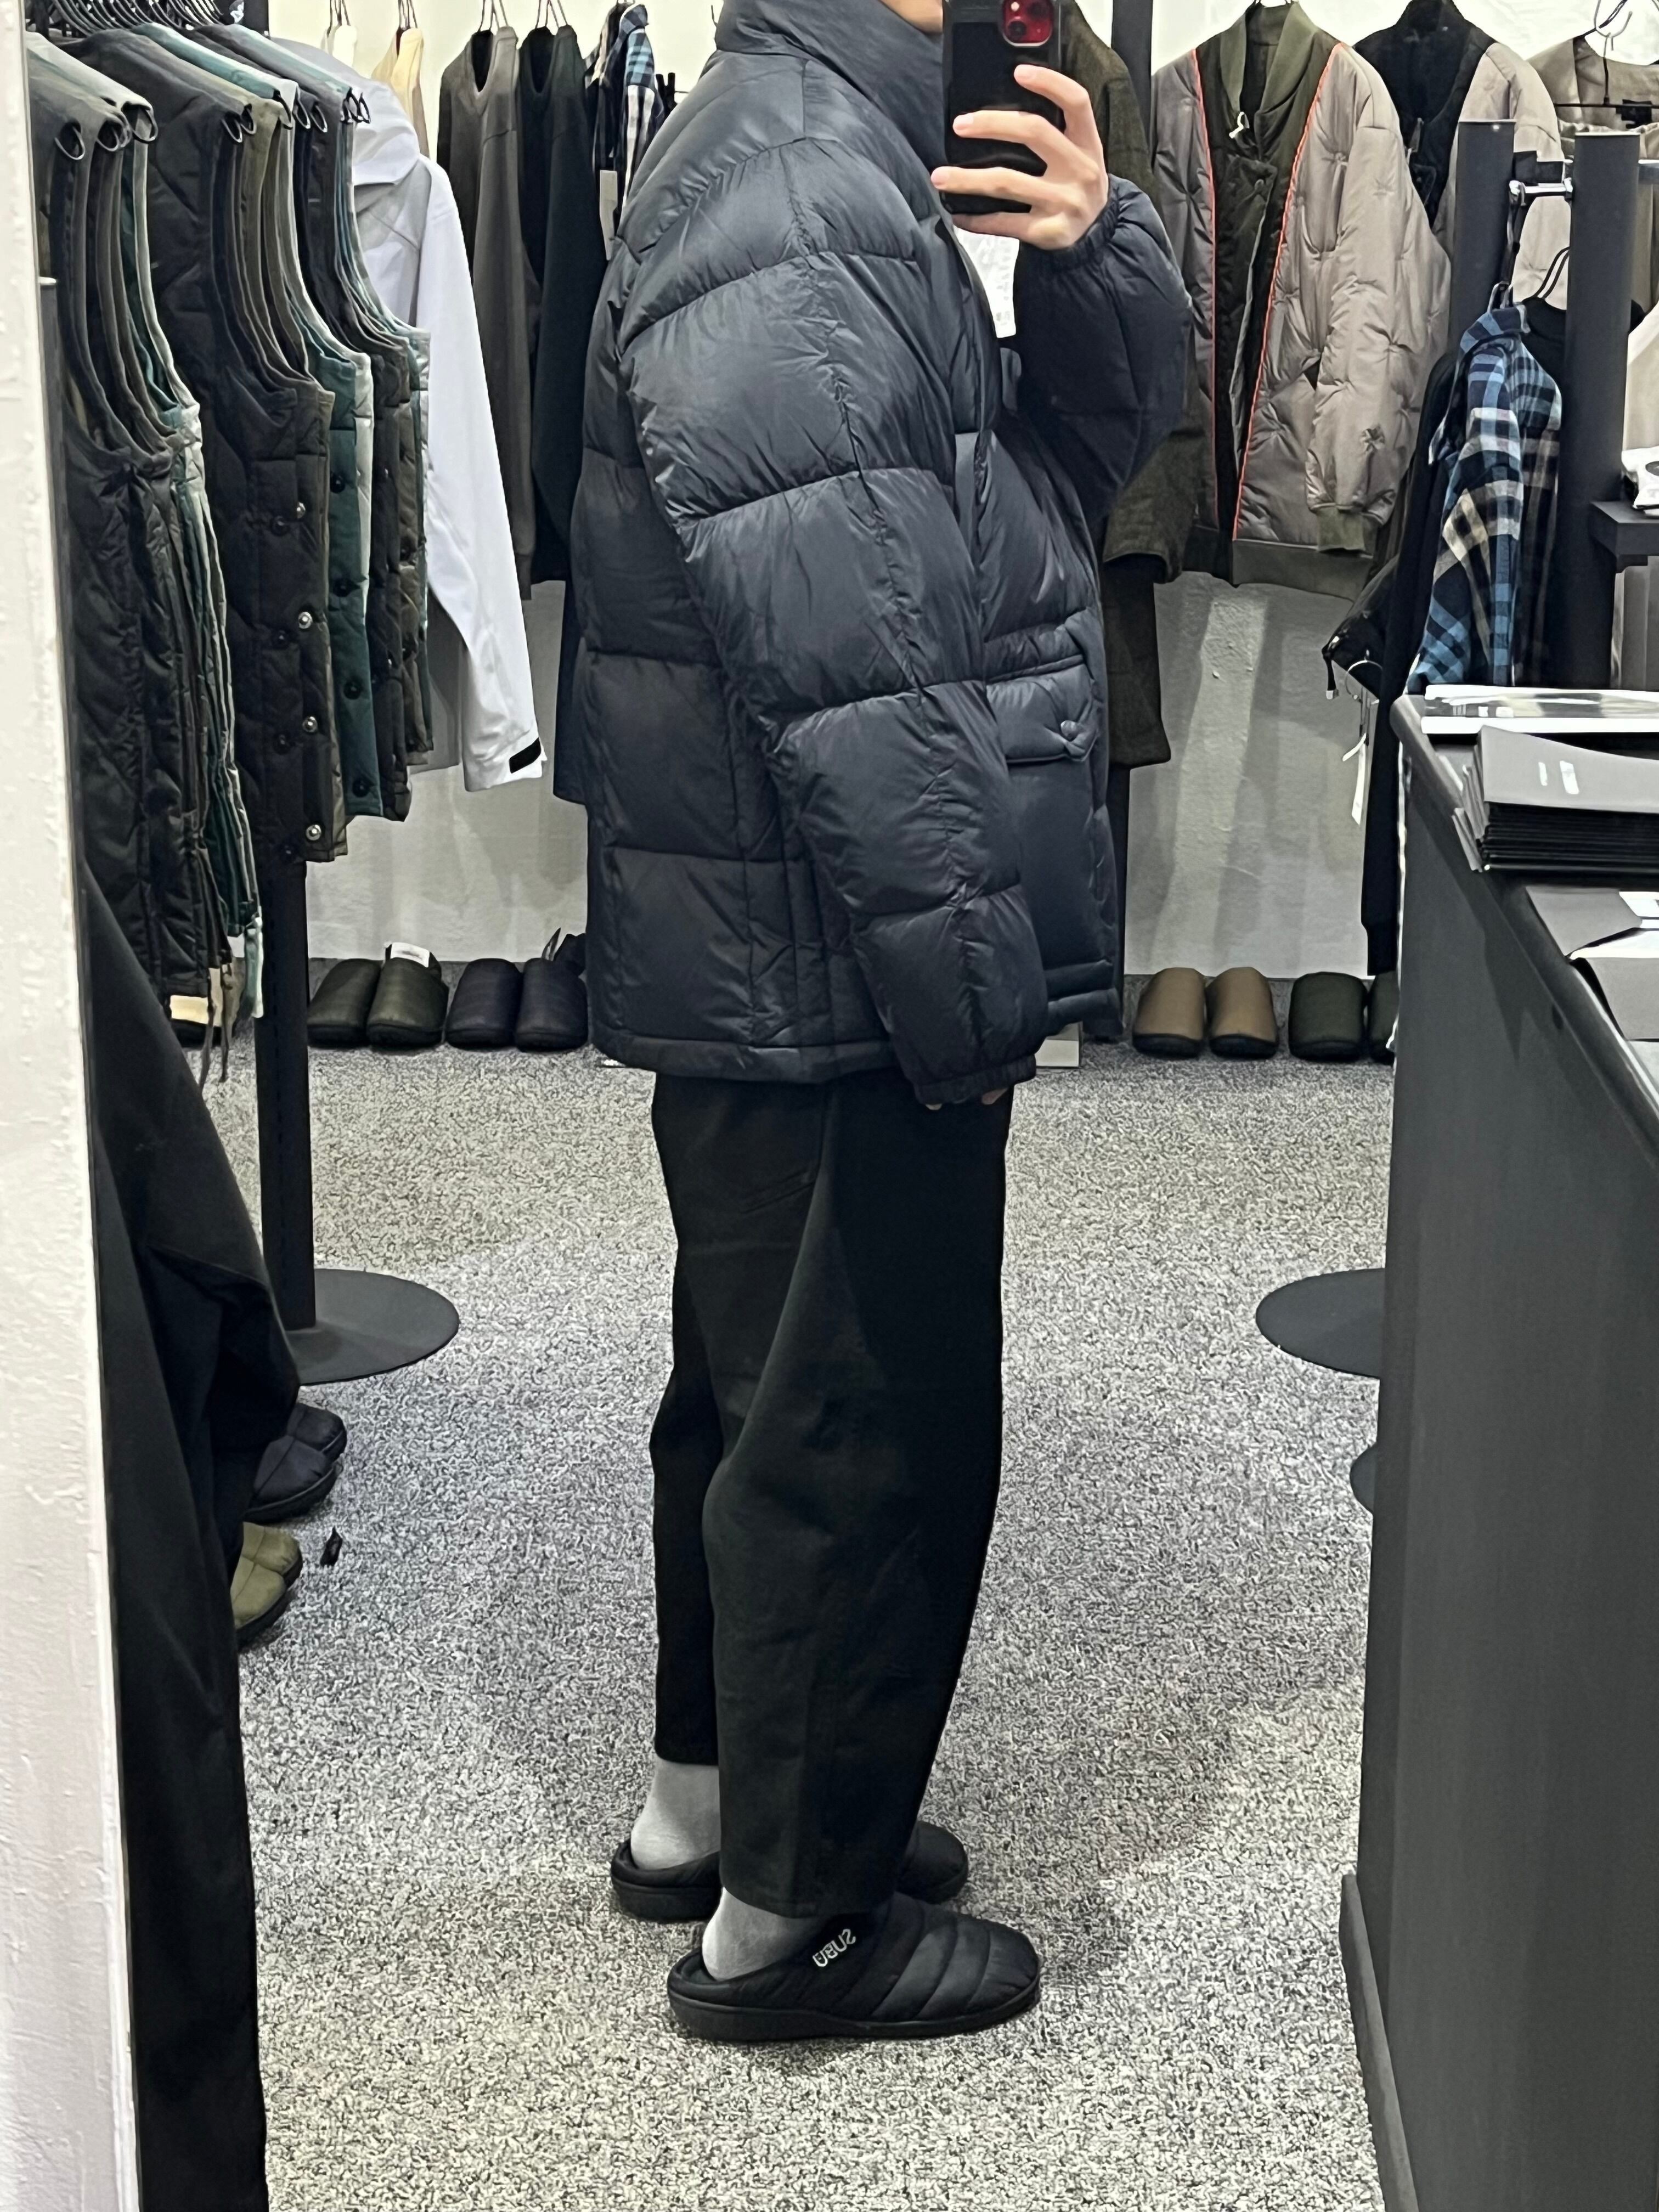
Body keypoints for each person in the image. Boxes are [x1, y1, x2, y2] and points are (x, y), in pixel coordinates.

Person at [567, 0, 1189, 2043]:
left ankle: (715, 1817)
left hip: (798, 924)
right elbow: (857, 662)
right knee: (856, 1423)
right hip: (832, 933)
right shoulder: (801, 185)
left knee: (760, 1390)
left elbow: (1071, 471)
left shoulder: (859, 143)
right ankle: (794, 1928)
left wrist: (1096, 249)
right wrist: (971, 980)